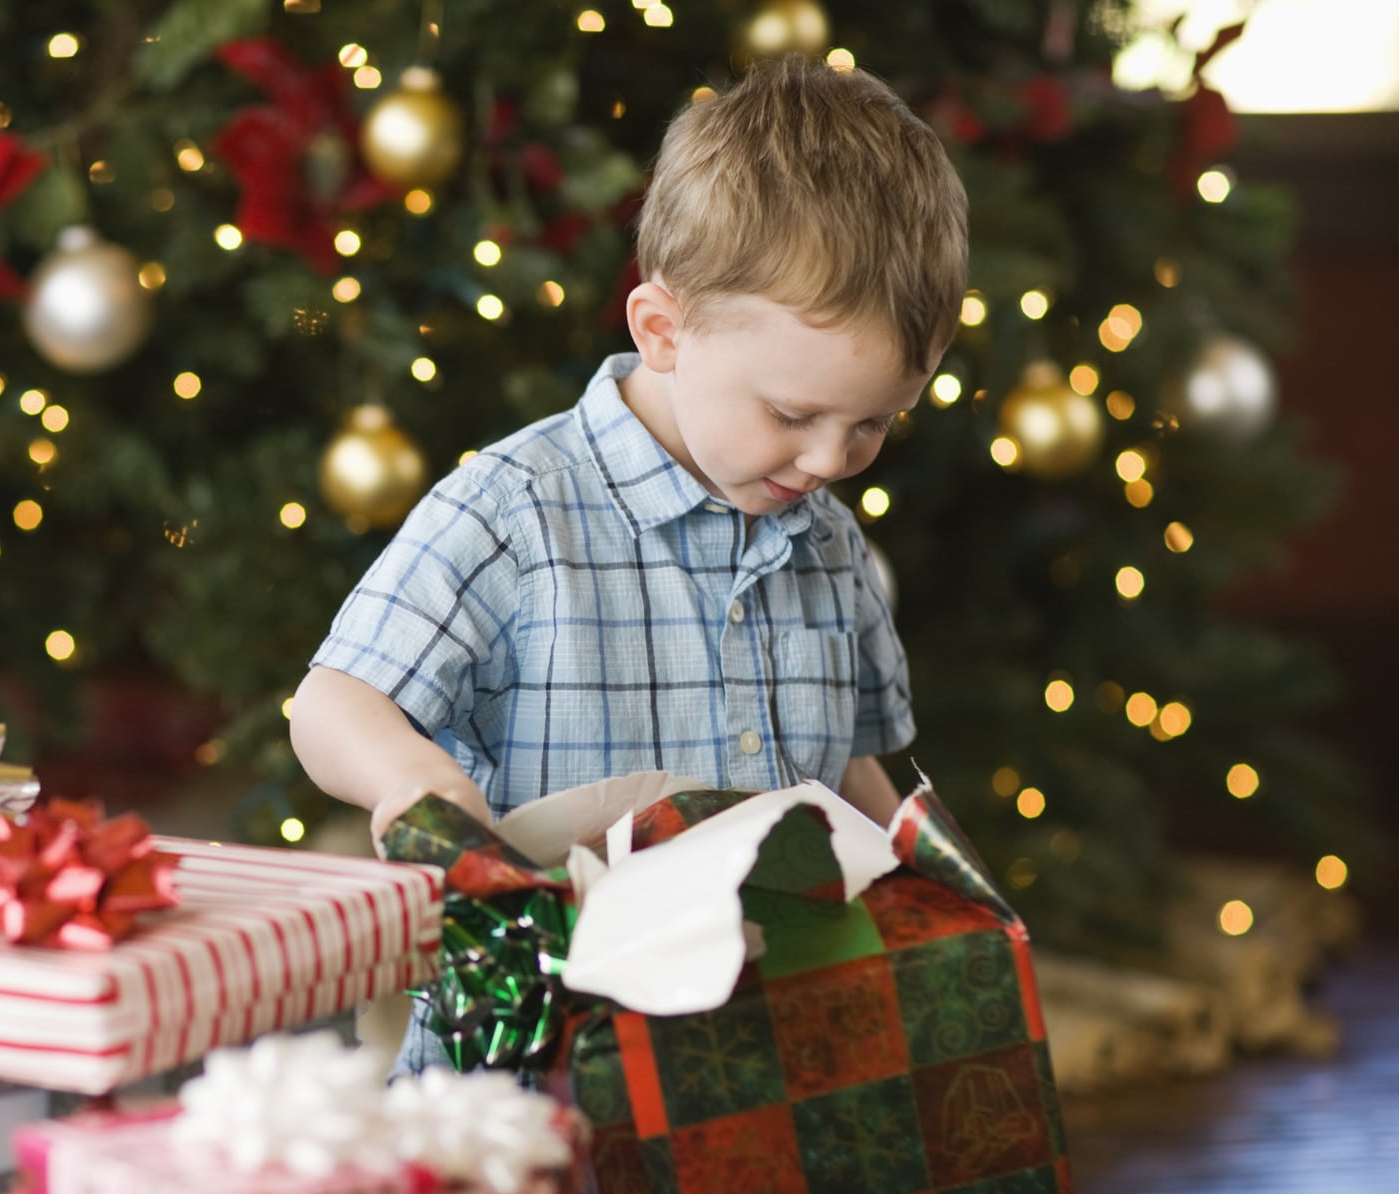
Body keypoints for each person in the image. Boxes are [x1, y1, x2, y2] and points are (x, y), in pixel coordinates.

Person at [293, 53, 966, 859]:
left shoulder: (830, 547)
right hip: (555, 973)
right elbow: (336, 700)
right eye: (793, 413)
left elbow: (849, 765)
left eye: (876, 422)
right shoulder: (514, 512)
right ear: (662, 331)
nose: (830, 459)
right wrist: (413, 781)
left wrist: (917, 881)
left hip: (771, 980)